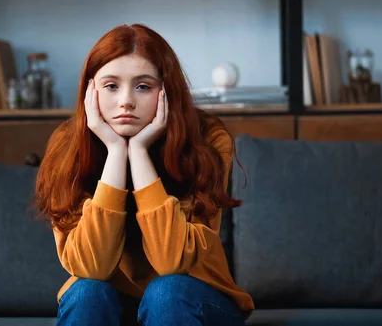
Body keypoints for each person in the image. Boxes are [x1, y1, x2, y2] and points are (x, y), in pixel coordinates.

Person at [34, 23, 254, 326]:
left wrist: (138, 153)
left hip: (192, 299)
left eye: (143, 86)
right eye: (111, 86)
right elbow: (91, 267)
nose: (126, 101)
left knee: (167, 291)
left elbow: (171, 262)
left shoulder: (208, 139)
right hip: (110, 304)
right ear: (90, 91)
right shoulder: (67, 144)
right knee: (86, 291)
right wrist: (115, 151)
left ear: (167, 92)